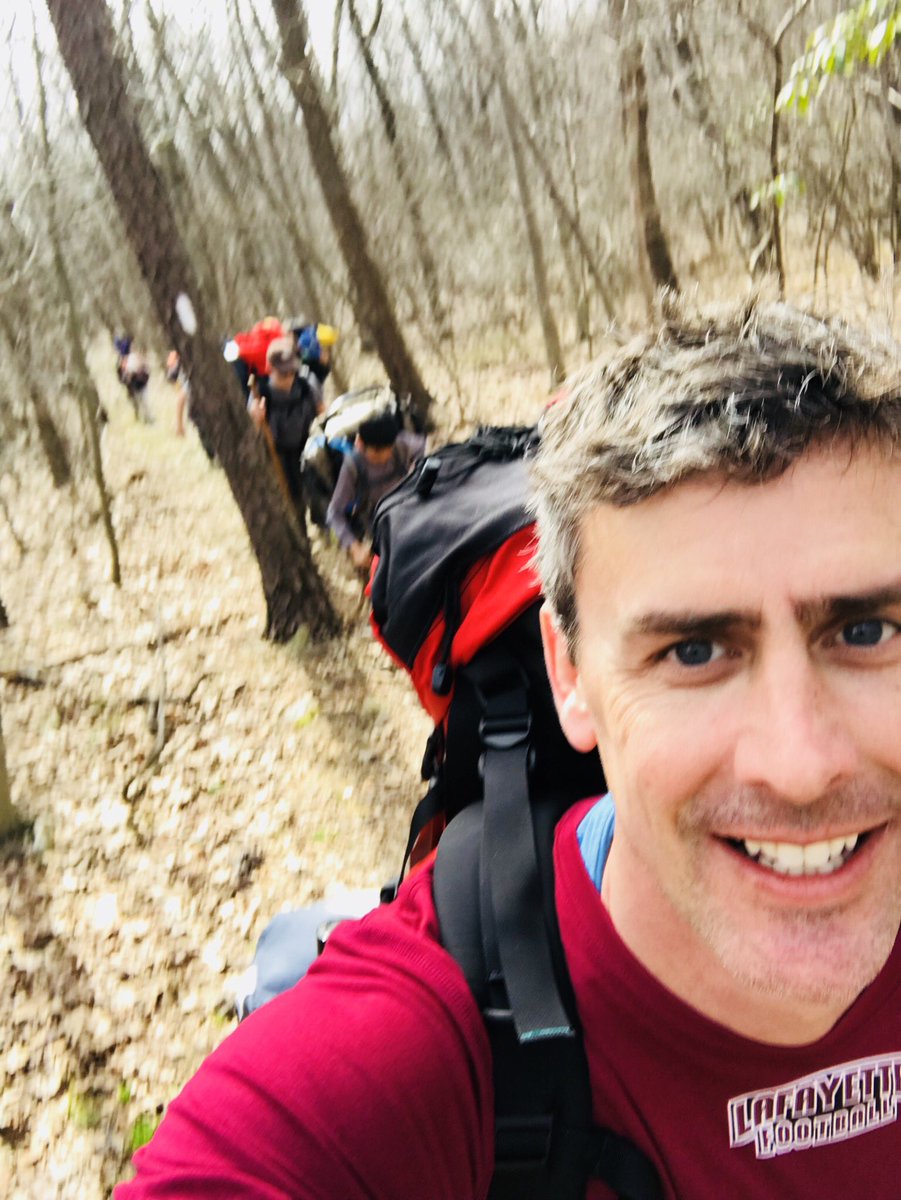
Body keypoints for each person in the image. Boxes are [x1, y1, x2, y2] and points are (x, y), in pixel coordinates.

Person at [115, 299, 901, 1198]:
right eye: (691, 651)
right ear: (568, 676)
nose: (800, 764)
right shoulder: (427, 1043)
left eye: (867, 630)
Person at [326, 407, 426, 570]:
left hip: (409, 514)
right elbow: (334, 513)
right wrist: (354, 547)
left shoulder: (401, 446)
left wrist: (418, 467)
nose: (385, 456)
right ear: (360, 444)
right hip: (378, 529)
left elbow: (428, 447)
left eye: (389, 449)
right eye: (378, 451)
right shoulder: (353, 468)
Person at [249, 336, 323, 515]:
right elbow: (254, 427)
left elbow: (322, 412)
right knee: (293, 500)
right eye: (283, 373)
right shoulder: (261, 395)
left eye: (292, 371)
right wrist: (256, 417)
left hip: (309, 449)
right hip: (282, 456)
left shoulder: (306, 386)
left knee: (317, 493)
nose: (289, 377)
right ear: (270, 369)